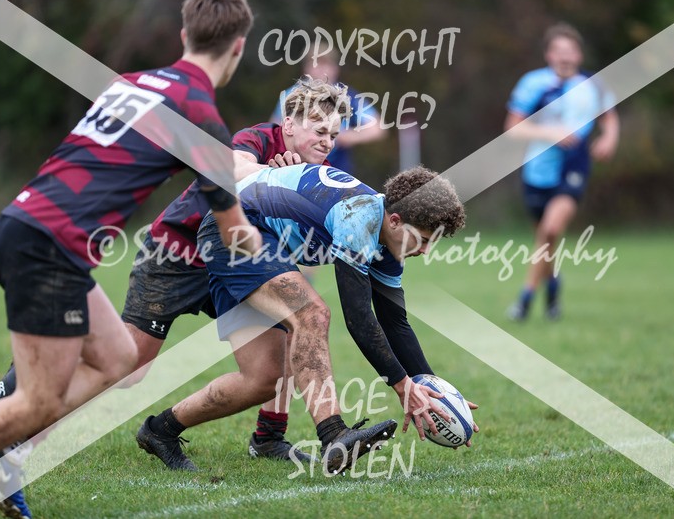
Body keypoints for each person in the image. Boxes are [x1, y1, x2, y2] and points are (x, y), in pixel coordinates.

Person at [0, 0, 261, 517]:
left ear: (184, 35)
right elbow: (234, 235)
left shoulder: (130, 84)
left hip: (26, 226)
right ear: (238, 47)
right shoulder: (201, 118)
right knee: (38, 401)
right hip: (50, 246)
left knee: (119, 359)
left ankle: (3, 452)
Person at [135, 163, 473, 476]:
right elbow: (358, 317)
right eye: (422, 239)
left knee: (261, 379)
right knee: (311, 314)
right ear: (396, 220)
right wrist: (402, 385)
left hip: (261, 241)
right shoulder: (358, 218)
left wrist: (432, 390)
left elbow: (394, 322)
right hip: (236, 228)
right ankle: (333, 435)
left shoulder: (387, 243)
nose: (425, 251)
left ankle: (160, 430)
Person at [505, 22, 619, 321]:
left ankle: (525, 299)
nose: (565, 56)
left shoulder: (592, 85)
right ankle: (553, 286)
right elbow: (513, 127)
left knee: (550, 231)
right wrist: (550, 133)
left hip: (574, 168)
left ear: (579, 55)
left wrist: (609, 138)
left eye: (570, 50)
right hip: (536, 171)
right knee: (546, 242)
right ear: (549, 55)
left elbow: (609, 118)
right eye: (558, 50)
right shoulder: (533, 83)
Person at [271, 47, 386, 175]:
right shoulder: (293, 94)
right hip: (295, 167)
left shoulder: (347, 96)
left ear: (335, 69)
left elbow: (376, 128)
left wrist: (345, 136)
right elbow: (276, 128)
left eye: (326, 64)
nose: (321, 70)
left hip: (336, 169)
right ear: (306, 68)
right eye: (316, 64)